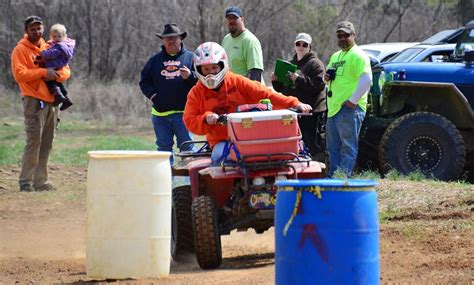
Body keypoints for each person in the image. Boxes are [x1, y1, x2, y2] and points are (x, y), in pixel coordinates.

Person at [183, 42, 312, 165]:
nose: (210, 73)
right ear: (198, 69)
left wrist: (295, 103)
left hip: (250, 139)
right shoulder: (196, 93)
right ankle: (226, 189)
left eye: (214, 68)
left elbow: (266, 94)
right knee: (218, 158)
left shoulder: (238, 82)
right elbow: (189, 120)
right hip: (221, 142)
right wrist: (206, 118)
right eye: (205, 69)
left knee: (283, 156)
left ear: (223, 65)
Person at [11, 16, 71, 192]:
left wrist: (57, 76)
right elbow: (20, 74)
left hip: (52, 101)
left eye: (39, 28)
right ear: (26, 30)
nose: (36, 32)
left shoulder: (50, 46)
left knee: (47, 142)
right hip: (33, 101)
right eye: (32, 29)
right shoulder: (20, 50)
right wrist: (44, 72)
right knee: (34, 141)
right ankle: (26, 182)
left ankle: (41, 181)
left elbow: (65, 69)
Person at [139, 24, 197, 163]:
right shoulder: (154, 61)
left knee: (188, 151)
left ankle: (190, 184)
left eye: (174, 38)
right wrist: (153, 96)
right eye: (167, 38)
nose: (170, 41)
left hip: (185, 115)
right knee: (163, 153)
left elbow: (203, 81)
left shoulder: (191, 58)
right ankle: (166, 184)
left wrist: (190, 76)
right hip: (160, 116)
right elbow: (144, 82)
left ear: (180, 39)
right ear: (162, 41)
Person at [324, 21, 372, 177]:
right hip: (334, 108)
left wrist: (353, 101)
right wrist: (326, 78)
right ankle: (334, 178)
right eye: (339, 36)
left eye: (346, 35)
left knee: (348, 147)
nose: (342, 38)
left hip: (349, 109)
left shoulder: (358, 55)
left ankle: (343, 178)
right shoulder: (336, 56)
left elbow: (366, 79)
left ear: (354, 35)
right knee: (333, 148)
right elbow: (330, 79)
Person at [271, 33, 327, 161]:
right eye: (298, 44)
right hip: (293, 110)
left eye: (304, 44)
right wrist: (275, 81)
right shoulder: (290, 64)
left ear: (309, 47)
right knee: (294, 142)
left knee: (312, 142)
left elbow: (318, 86)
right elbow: (283, 89)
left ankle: (319, 168)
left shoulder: (316, 64)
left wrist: (298, 79)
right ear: (294, 46)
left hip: (312, 111)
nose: (301, 46)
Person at [221, 6, 264, 82]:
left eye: (235, 18)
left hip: (245, 91)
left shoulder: (250, 41)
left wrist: (249, 93)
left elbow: (255, 74)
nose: (231, 21)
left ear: (242, 19)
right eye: (229, 18)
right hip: (232, 90)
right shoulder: (226, 39)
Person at [40, 23, 75, 111]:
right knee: (58, 83)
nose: (56, 38)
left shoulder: (60, 46)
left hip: (54, 65)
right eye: (54, 36)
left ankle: (58, 96)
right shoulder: (66, 45)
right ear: (51, 36)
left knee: (49, 81)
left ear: (64, 36)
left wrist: (43, 53)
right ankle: (66, 99)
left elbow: (51, 54)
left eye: (59, 36)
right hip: (59, 65)